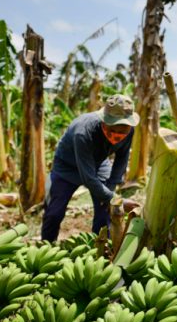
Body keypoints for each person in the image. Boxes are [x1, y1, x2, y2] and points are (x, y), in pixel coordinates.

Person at [41, 94, 140, 242]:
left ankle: (99, 247)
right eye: (114, 130)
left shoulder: (129, 131)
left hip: (99, 163)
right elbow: (88, 178)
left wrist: (110, 196)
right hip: (67, 166)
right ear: (105, 122)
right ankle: (46, 245)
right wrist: (117, 199)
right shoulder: (84, 132)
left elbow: (121, 161)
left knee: (105, 210)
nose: (117, 135)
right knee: (54, 212)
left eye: (122, 132)